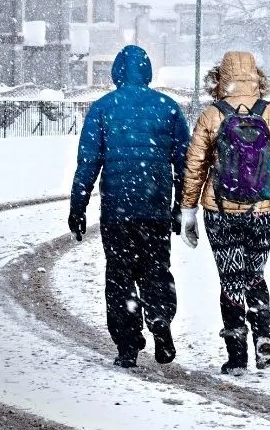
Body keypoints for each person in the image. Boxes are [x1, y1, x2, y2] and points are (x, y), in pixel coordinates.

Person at [178, 51, 270, 375]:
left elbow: (194, 167)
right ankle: (263, 338)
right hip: (264, 209)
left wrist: (188, 211)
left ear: (219, 78)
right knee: (254, 275)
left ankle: (237, 355)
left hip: (220, 210)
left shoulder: (212, 115)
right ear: (257, 76)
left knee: (231, 280)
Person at [68, 44, 190, 369]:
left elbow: (88, 164)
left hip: (117, 210)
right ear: (147, 72)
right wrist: (181, 206)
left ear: (116, 73)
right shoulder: (168, 108)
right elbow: (186, 164)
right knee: (155, 270)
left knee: (120, 276)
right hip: (155, 208)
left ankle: (127, 345)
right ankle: (160, 318)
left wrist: (78, 207)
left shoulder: (102, 109)